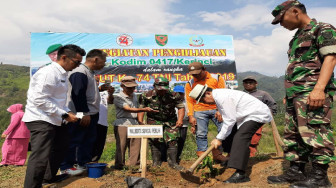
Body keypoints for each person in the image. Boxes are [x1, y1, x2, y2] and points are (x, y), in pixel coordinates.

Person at [268, 1, 336, 187]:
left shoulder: (322, 28)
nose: (281, 24)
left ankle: (320, 178)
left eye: (281, 19)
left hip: (312, 92)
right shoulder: (297, 37)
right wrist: (289, 93)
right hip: (295, 94)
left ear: (295, 11)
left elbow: (330, 58)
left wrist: (319, 89)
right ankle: (296, 172)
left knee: (316, 131)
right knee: (294, 134)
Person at [22, 44, 85, 188]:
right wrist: (63, 114)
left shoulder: (62, 73)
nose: (77, 66)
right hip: (40, 119)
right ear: (64, 57)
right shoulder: (48, 73)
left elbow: (56, 100)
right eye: (76, 62)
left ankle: (47, 177)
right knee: (40, 156)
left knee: (62, 145)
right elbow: (39, 99)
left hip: (54, 118)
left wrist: (68, 112)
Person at [189, 84, 272, 183]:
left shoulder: (222, 97)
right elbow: (229, 120)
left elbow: (229, 120)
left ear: (208, 93)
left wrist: (218, 139)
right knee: (229, 134)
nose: (204, 103)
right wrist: (220, 138)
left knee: (241, 137)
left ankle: (240, 174)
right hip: (244, 116)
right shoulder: (218, 97)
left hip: (256, 114)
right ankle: (230, 159)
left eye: (203, 100)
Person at [60, 49, 107, 175]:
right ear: (96, 59)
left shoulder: (89, 72)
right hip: (80, 113)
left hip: (90, 113)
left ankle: (84, 163)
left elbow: (87, 92)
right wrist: (83, 113)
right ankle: (66, 166)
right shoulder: (80, 72)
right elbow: (77, 94)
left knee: (87, 140)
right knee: (75, 139)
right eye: (104, 61)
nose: (104, 64)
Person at [138, 77, 185, 170]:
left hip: (170, 120)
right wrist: (140, 121)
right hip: (153, 120)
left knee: (173, 140)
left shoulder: (174, 95)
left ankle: (173, 163)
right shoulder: (146, 95)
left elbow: (180, 107)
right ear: (154, 86)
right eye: (160, 90)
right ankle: (156, 163)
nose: (162, 92)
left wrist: (180, 120)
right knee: (155, 141)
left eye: (164, 90)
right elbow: (141, 108)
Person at [185, 62, 227, 164]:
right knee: (200, 133)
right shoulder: (190, 83)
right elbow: (189, 101)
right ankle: (202, 157)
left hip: (216, 109)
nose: (196, 76)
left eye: (198, 73)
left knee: (223, 130)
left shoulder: (216, 78)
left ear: (204, 69)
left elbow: (223, 94)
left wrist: (219, 110)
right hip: (199, 110)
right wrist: (190, 115)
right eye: (193, 74)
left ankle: (218, 154)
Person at [113, 76, 158, 169]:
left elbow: (138, 109)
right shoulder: (118, 97)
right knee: (121, 145)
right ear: (122, 86)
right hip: (122, 123)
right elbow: (128, 109)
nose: (131, 89)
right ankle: (119, 165)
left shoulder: (135, 96)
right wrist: (144, 109)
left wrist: (140, 121)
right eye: (129, 87)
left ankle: (135, 165)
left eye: (133, 87)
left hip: (134, 123)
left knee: (136, 145)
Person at [242, 76, 277, 157]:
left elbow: (272, 105)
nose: (248, 84)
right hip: (243, 120)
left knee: (253, 140)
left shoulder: (263, 94)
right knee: (242, 139)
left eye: (251, 83)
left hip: (257, 120)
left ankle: (252, 157)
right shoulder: (241, 94)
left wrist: (269, 116)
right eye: (246, 83)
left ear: (256, 83)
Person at [91, 76, 115, 162]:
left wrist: (111, 93)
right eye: (94, 81)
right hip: (92, 121)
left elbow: (111, 102)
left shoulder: (104, 92)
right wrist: (99, 89)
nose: (96, 83)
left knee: (99, 144)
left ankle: (94, 162)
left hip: (103, 122)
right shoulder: (89, 91)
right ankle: (83, 163)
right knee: (90, 143)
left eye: (97, 81)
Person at [173, 85, 189, 163]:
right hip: (172, 125)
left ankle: (177, 157)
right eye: (177, 93)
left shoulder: (187, 102)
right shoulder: (170, 100)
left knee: (181, 141)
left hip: (184, 125)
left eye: (181, 93)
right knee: (171, 142)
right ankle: (169, 158)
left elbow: (189, 113)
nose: (179, 95)